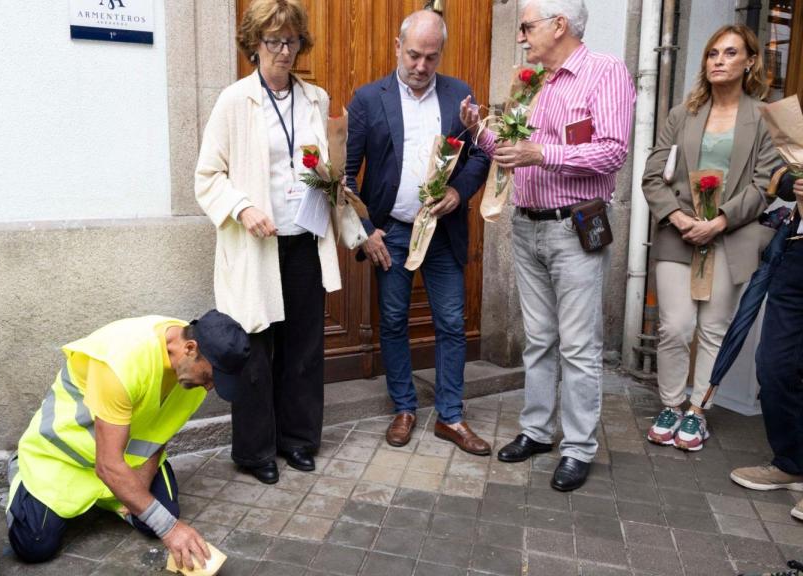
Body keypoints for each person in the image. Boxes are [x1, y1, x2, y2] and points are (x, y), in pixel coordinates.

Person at [461, 0, 635, 491]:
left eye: (527, 26)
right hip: (527, 224)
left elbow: (613, 150)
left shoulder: (606, 73)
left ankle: (578, 448)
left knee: (579, 346)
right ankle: (537, 431)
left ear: (559, 25)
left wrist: (544, 151)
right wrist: (480, 130)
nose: (521, 36)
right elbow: (513, 151)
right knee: (539, 339)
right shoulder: (532, 82)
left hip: (574, 226)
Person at [195, 0, 340, 485]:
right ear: (253, 45)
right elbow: (207, 176)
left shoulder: (315, 98)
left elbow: (326, 168)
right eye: (274, 41)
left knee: (304, 346)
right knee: (255, 346)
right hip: (256, 244)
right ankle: (255, 451)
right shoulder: (234, 101)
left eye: (292, 41)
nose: (284, 51)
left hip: (304, 239)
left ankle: (298, 440)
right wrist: (243, 207)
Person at [346, 9, 492, 455]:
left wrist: (459, 193)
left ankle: (450, 416)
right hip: (391, 233)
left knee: (451, 322)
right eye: (413, 55)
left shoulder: (459, 96)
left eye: (431, 57)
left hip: (443, 235)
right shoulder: (370, 99)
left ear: (440, 54)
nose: (421, 66)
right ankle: (404, 408)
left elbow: (481, 156)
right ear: (397, 47)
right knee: (392, 322)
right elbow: (348, 177)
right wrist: (366, 230)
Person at [6, 310, 250, 569]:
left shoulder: (191, 366)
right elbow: (107, 465)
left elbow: (160, 430)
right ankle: (21, 469)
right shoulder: (122, 362)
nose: (210, 387)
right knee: (34, 543)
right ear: (190, 348)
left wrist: (138, 494)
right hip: (64, 457)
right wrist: (170, 529)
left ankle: (114, 493)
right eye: (211, 377)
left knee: (154, 517)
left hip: (123, 461)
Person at [641, 25, 779, 452]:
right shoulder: (683, 113)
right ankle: (670, 404)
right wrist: (681, 219)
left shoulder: (764, 118)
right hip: (678, 234)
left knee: (714, 329)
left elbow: (763, 186)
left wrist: (719, 221)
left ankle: (698, 411)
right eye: (712, 53)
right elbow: (653, 175)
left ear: (750, 61)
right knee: (676, 327)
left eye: (730, 52)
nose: (718, 60)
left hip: (731, 236)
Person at [730, 169, 803, 523]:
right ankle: (791, 464)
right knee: (775, 365)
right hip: (795, 251)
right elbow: (784, 179)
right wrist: (795, 183)